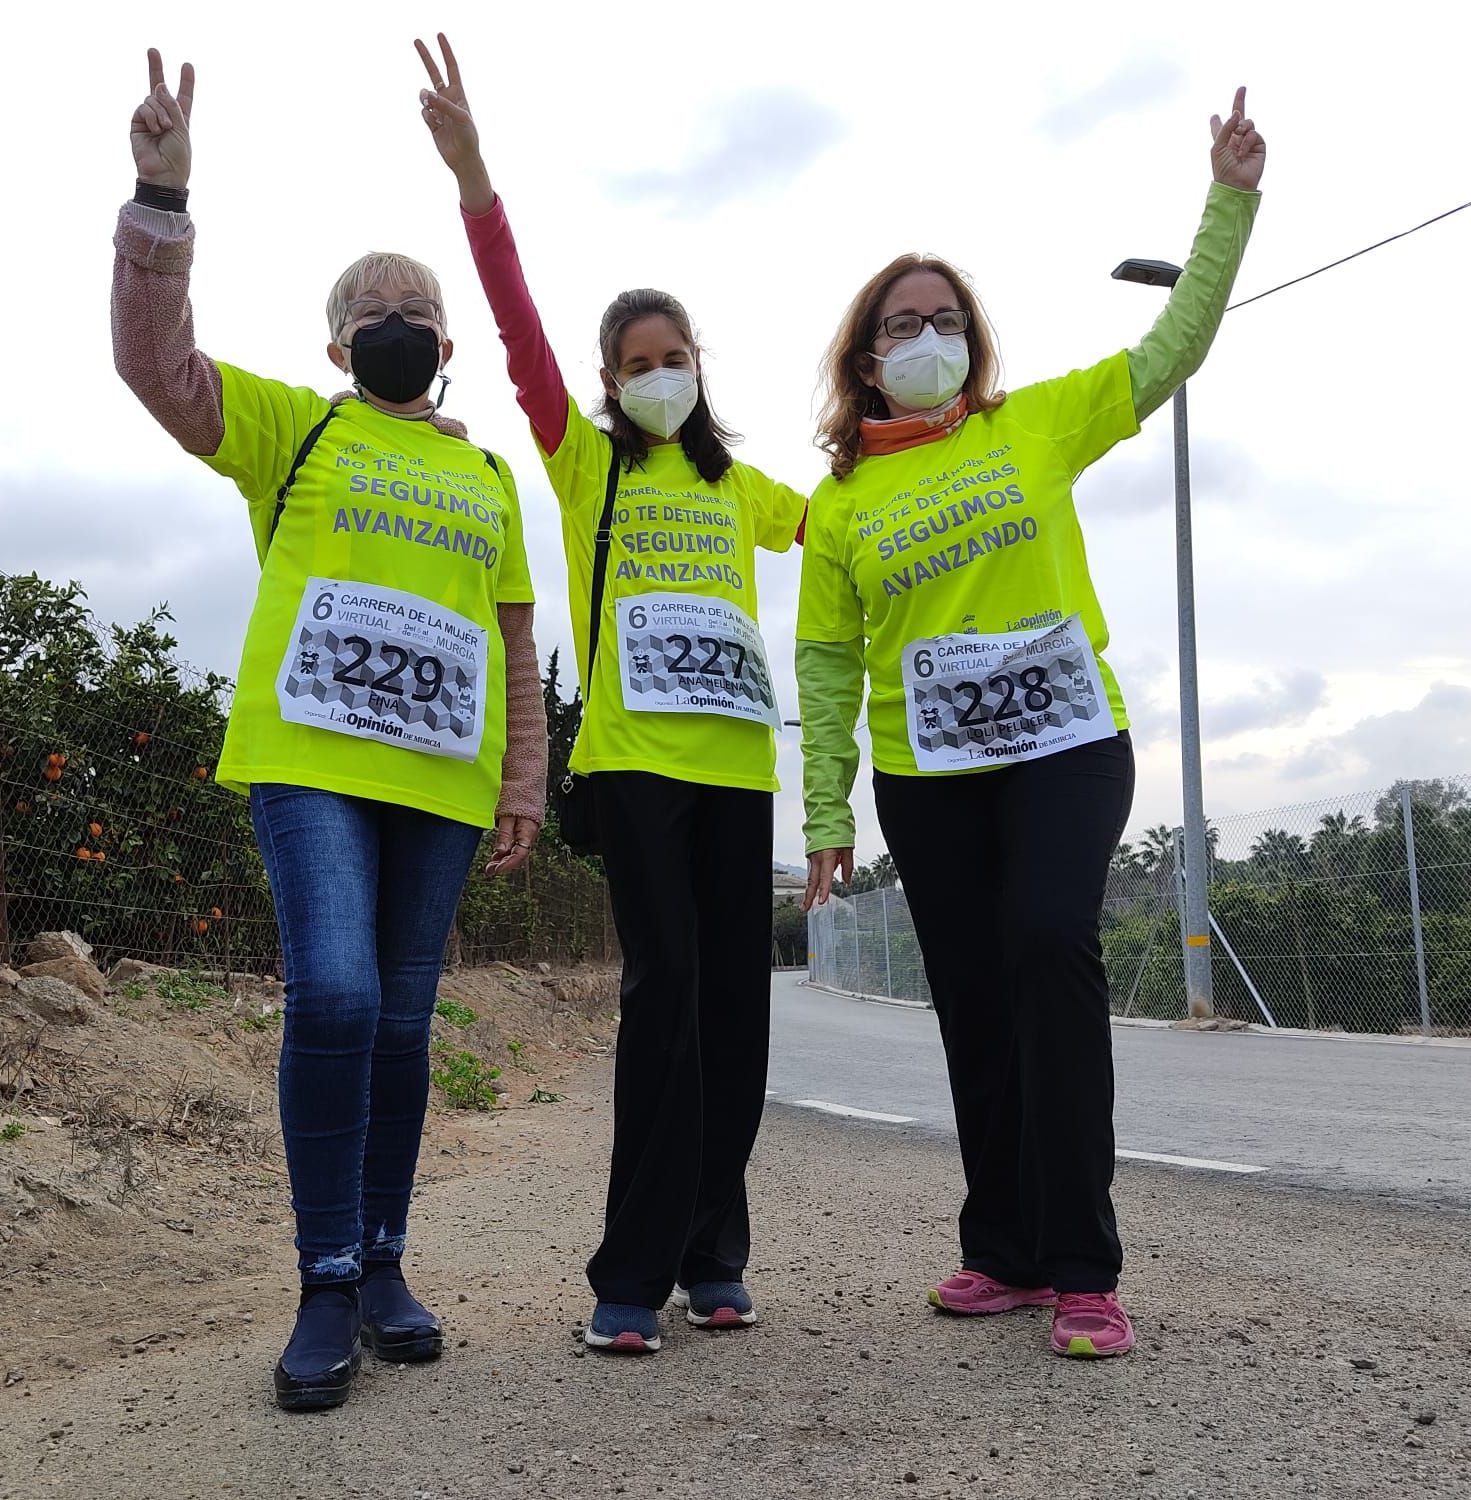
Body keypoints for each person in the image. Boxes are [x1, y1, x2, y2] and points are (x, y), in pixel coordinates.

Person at [797, 89, 1267, 1359]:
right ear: (864, 356)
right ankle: (1000, 1249)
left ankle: (1081, 1266)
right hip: (926, 775)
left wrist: (1226, 202)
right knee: (970, 999)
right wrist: (826, 811)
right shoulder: (838, 505)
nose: (927, 335)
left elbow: (1171, 346)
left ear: (973, 339)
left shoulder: (1034, 424)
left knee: (1048, 948)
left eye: (945, 319)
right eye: (903, 324)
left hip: (1062, 745)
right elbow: (829, 662)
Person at [111, 47, 548, 1411]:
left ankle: (384, 1266)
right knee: (341, 997)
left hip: (441, 783)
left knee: (407, 1024)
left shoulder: (486, 476)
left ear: (446, 339)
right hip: (308, 768)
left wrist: (527, 772)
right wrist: (159, 202)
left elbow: (517, 638)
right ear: (336, 346)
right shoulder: (297, 432)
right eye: (370, 308)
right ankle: (319, 1283)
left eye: (413, 304)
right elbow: (155, 363)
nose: (394, 315)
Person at [414, 34, 807, 1355]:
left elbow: (847, 527)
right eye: (637, 358)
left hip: (743, 771)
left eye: (676, 353)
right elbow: (519, 333)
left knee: (739, 1025)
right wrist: (478, 183)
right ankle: (629, 1279)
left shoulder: (738, 487)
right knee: (669, 1000)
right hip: (639, 775)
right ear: (608, 381)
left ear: (700, 364)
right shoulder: (588, 468)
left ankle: (716, 1254)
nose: (660, 372)